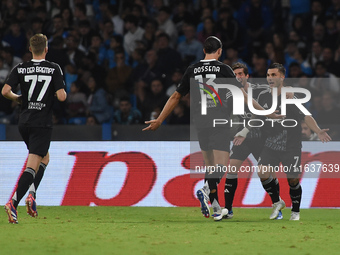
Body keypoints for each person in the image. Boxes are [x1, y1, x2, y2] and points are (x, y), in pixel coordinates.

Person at [143, 36, 283, 221]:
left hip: (200, 124)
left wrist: (160, 119)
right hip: (219, 123)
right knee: (221, 165)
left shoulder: (192, 69)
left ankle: (216, 207)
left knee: (210, 167)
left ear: (203, 51)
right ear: (219, 51)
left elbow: (176, 96)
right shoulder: (224, 69)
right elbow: (244, 96)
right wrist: (269, 113)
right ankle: (206, 190)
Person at [241, 63, 331, 221]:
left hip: (291, 145)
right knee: (262, 171)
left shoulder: (290, 96)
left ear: (282, 77)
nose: (270, 78)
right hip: (270, 143)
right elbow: (256, 113)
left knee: (292, 179)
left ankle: (295, 211)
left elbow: (306, 116)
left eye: (274, 75)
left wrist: (318, 131)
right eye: (268, 75)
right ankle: (277, 202)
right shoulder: (263, 96)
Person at [2, 34, 67, 224]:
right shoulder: (54, 68)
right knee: (33, 164)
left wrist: (18, 98)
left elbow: (5, 91)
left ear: (30, 49)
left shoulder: (20, 68)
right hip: (42, 122)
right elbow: (62, 97)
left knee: (43, 157)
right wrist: (57, 90)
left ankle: (32, 195)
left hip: (24, 121)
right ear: (46, 49)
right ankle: (13, 202)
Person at [224, 62, 283, 220]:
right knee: (231, 169)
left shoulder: (260, 90)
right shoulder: (231, 94)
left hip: (262, 138)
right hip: (243, 140)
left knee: (267, 173)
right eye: (235, 74)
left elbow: (262, 111)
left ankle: (277, 205)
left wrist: (245, 130)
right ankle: (228, 210)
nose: (238, 77)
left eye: (240, 74)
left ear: (247, 76)